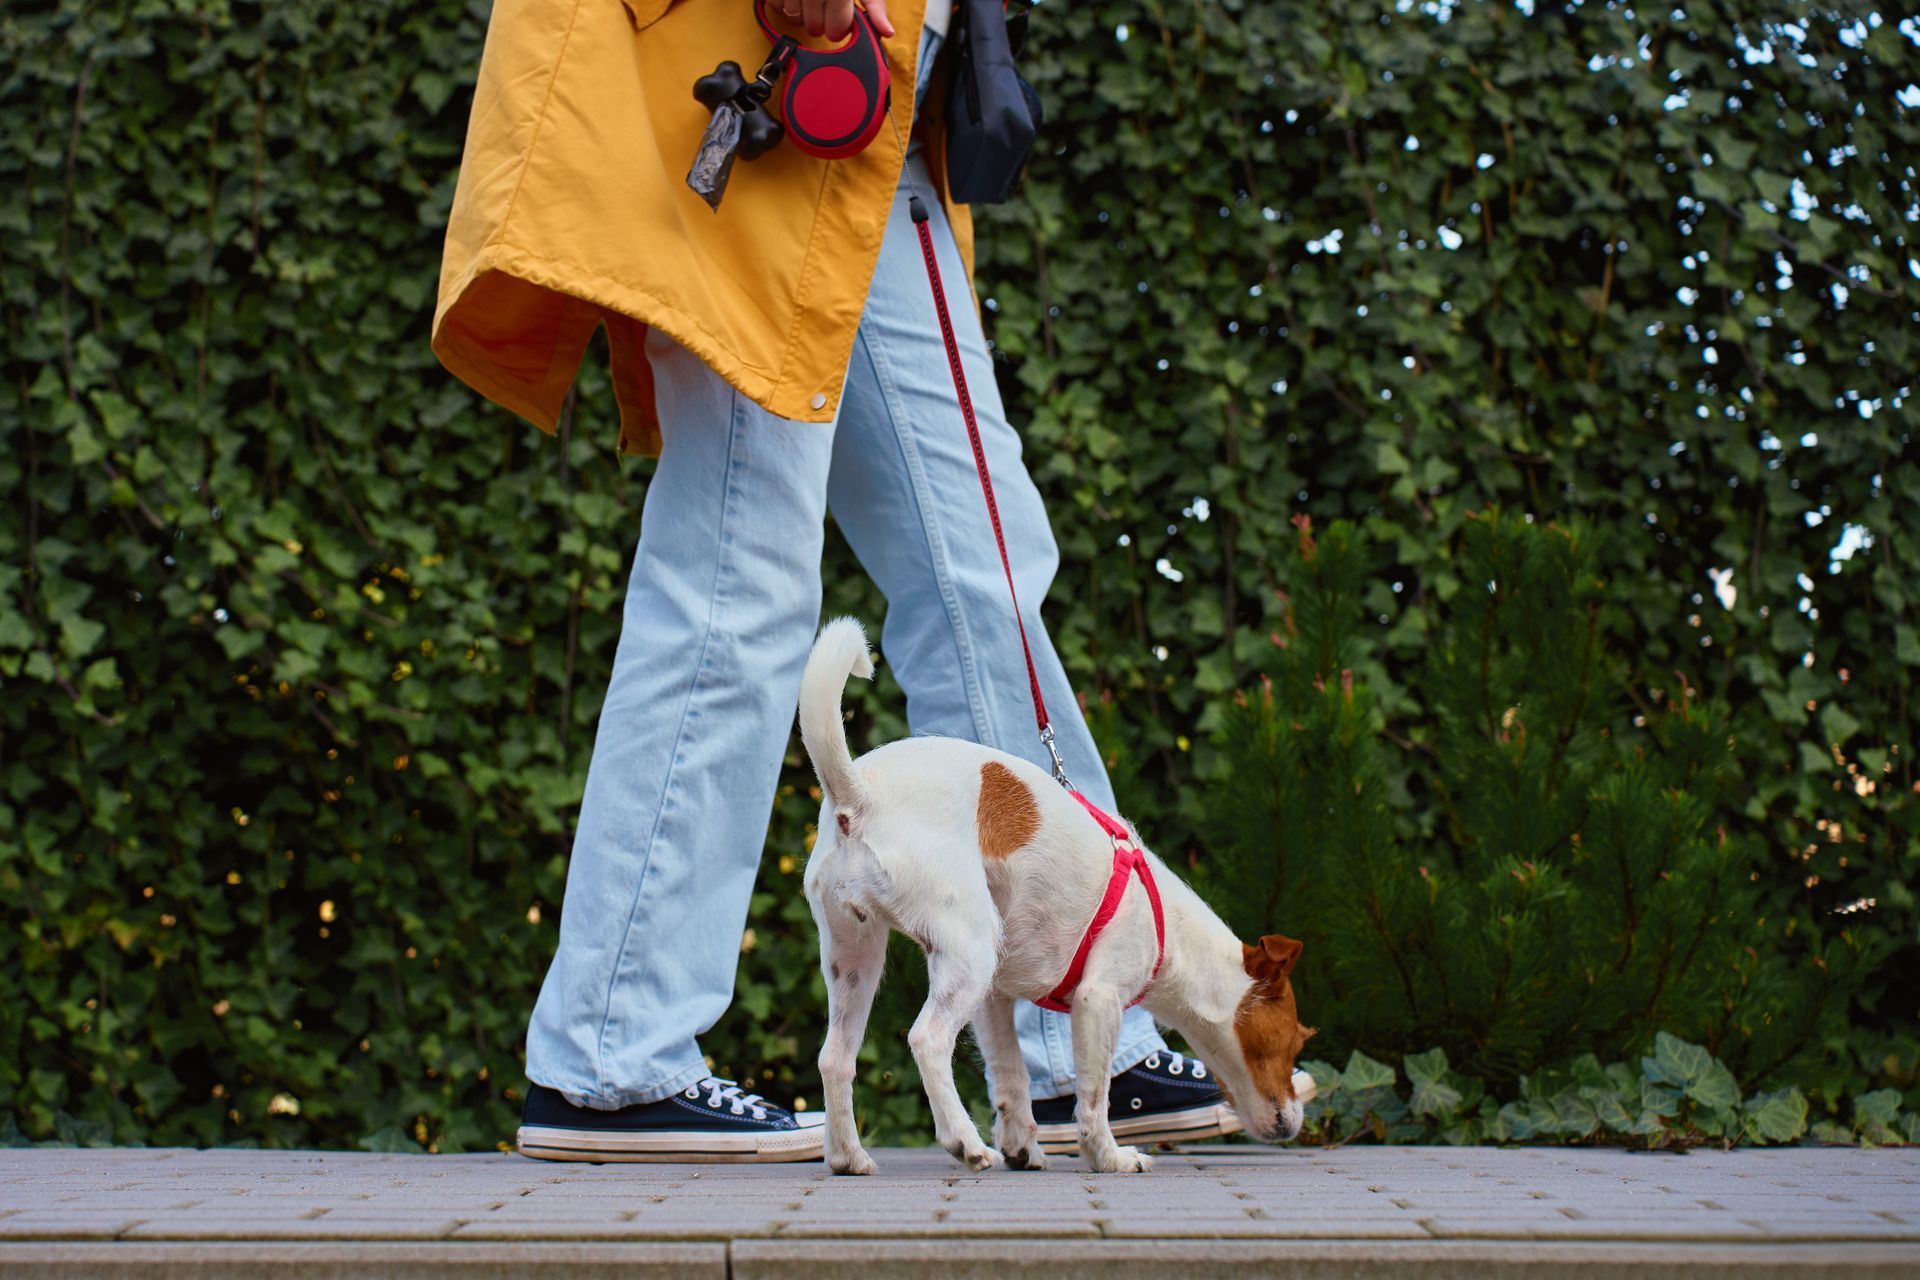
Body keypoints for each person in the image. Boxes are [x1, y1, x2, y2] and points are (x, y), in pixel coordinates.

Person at [433, 0, 1234, 1162]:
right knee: (734, 574)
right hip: (769, 87)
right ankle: (613, 1053)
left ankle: (1072, 1050)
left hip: (877, 124)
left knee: (983, 574)